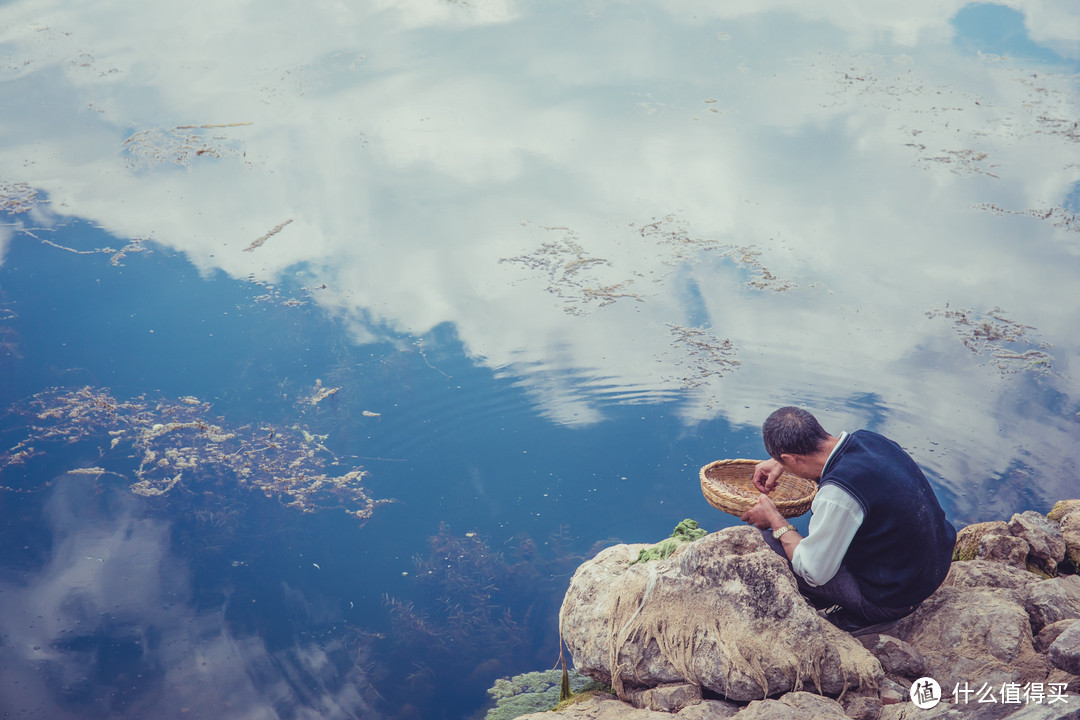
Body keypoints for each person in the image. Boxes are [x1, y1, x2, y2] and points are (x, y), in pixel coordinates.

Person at [740, 406, 956, 634]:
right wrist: (781, 462)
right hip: (930, 569)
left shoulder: (838, 493)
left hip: (893, 596)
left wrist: (775, 521)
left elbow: (815, 571)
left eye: (783, 462)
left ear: (792, 458)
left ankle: (865, 615)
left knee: (762, 543)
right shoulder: (869, 440)